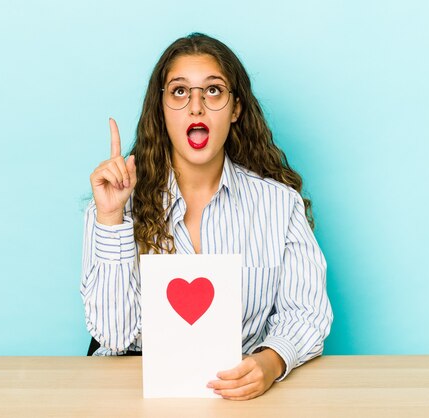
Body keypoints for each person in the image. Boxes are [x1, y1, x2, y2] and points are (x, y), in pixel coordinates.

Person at [81, 32, 333, 400]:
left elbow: (307, 313)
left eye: (213, 91)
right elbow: (113, 336)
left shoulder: (280, 205)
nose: (196, 107)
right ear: (162, 109)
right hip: (133, 392)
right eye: (180, 92)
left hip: (236, 394)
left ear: (235, 109)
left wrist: (271, 361)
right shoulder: (113, 206)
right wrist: (111, 217)